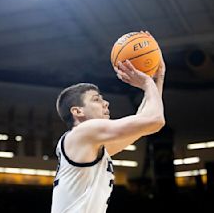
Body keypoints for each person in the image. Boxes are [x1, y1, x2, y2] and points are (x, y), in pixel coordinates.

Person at [50, 32, 166, 213]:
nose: (106, 103)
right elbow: (155, 120)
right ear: (77, 111)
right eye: (96, 100)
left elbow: (145, 124)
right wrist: (146, 84)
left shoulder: (91, 146)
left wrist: (157, 79)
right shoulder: (84, 131)